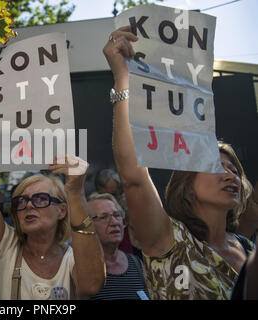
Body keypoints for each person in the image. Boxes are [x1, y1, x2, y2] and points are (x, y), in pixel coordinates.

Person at [103, 26, 255, 299]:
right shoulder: (168, 240)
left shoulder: (249, 249)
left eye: (235, 170)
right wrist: (122, 79)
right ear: (186, 183)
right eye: (217, 165)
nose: (231, 175)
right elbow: (134, 178)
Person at [0, 73, 105, 300]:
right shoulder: (4, 247)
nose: (28, 206)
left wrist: (75, 191)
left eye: (40, 199)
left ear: (62, 210)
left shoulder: (73, 257)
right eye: (21, 201)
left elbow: (91, 286)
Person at [88, 193, 149, 300]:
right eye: (103, 217)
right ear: (88, 226)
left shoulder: (136, 264)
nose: (114, 222)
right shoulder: (79, 268)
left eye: (117, 215)